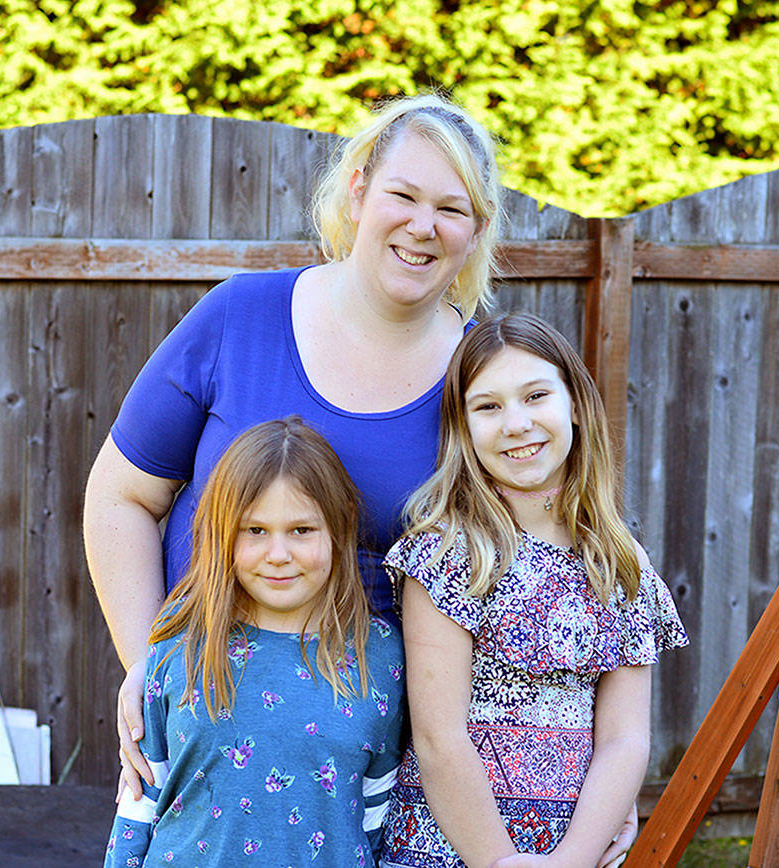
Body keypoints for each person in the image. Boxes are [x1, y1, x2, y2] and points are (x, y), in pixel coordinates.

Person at [84, 93, 502, 800]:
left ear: (477, 229)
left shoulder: (484, 377)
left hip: (373, 766)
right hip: (202, 733)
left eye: (451, 209)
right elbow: (120, 496)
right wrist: (148, 669)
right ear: (358, 190)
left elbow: (541, 554)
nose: (422, 226)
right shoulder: (239, 317)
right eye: (403, 195)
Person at [378, 313, 688, 868]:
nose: (517, 424)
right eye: (488, 407)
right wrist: (500, 861)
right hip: (451, 848)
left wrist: (573, 858)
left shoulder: (619, 562)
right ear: (463, 427)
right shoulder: (451, 554)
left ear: (575, 404)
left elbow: (625, 740)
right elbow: (440, 737)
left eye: (536, 396)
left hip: (573, 850)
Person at [103, 417, 405, 867]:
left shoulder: (378, 655)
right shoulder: (181, 643)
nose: (278, 555)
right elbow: (139, 803)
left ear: (339, 526)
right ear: (224, 532)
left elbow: (378, 814)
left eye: (301, 530)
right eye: (255, 531)